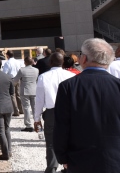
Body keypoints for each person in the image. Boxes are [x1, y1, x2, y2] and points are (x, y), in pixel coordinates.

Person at [54, 38, 120, 172]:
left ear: (83, 58)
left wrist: (62, 157)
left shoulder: (68, 87)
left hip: (80, 159)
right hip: (115, 159)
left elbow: (61, 126)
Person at [33, 52, 75, 173]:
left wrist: (37, 119)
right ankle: (69, 168)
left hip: (52, 112)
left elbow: (39, 100)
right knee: (70, 139)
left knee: (51, 142)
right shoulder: (71, 76)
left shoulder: (43, 77)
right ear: (63, 62)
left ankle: (51, 168)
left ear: (50, 62)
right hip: (69, 112)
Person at [13, 57, 38, 132]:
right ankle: (37, 124)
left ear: (25, 62)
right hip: (34, 90)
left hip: (25, 91)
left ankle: (28, 125)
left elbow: (15, 80)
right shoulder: (36, 70)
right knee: (35, 108)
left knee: (26, 108)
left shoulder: (22, 70)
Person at [2, 50, 23, 116]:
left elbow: (5, 72)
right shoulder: (18, 62)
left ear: (7, 55)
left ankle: (16, 111)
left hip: (11, 79)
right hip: (18, 78)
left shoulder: (7, 63)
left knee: (12, 95)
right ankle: (21, 109)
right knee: (18, 94)